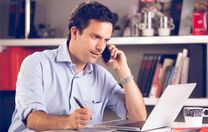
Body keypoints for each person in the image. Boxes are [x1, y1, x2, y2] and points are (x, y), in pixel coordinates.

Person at [9, 1, 147, 131]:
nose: (101, 47)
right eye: (95, 37)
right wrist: (68, 121)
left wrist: (123, 69)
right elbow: (32, 120)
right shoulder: (36, 63)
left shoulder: (102, 76)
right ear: (75, 32)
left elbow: (138, 118)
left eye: (106, 40)